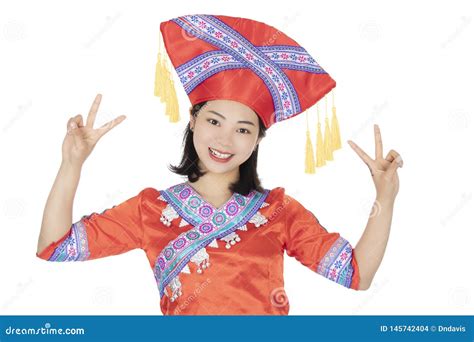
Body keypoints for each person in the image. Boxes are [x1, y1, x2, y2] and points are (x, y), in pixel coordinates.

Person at [36, 14, 403, 315]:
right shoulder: (150, 209)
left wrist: (385, 196)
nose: (225, 140)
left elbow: (357, 275)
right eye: (214, 121)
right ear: (193, 121)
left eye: (243, 129)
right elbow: (55, 247)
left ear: (257, 138)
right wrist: (71, 164)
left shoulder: (279, 210)